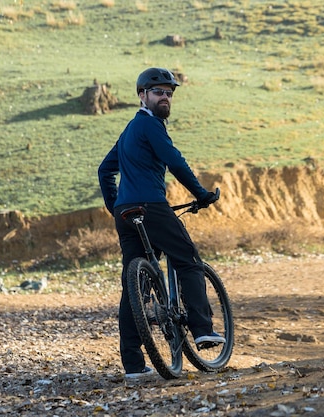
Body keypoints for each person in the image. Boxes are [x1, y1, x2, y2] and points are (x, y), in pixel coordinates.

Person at [97, 67, 225, 379]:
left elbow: (104, 171)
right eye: (158, 92)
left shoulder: (130, 130)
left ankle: (133, 366)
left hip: (126, 212)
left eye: (169, 93)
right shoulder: (150, 125)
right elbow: (175, 161)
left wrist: (117, 208)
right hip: (151, 206)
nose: (164, 97)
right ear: (142, 96)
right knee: (188, 259)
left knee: (133, 286)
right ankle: (202, 329)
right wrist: (201, 194)